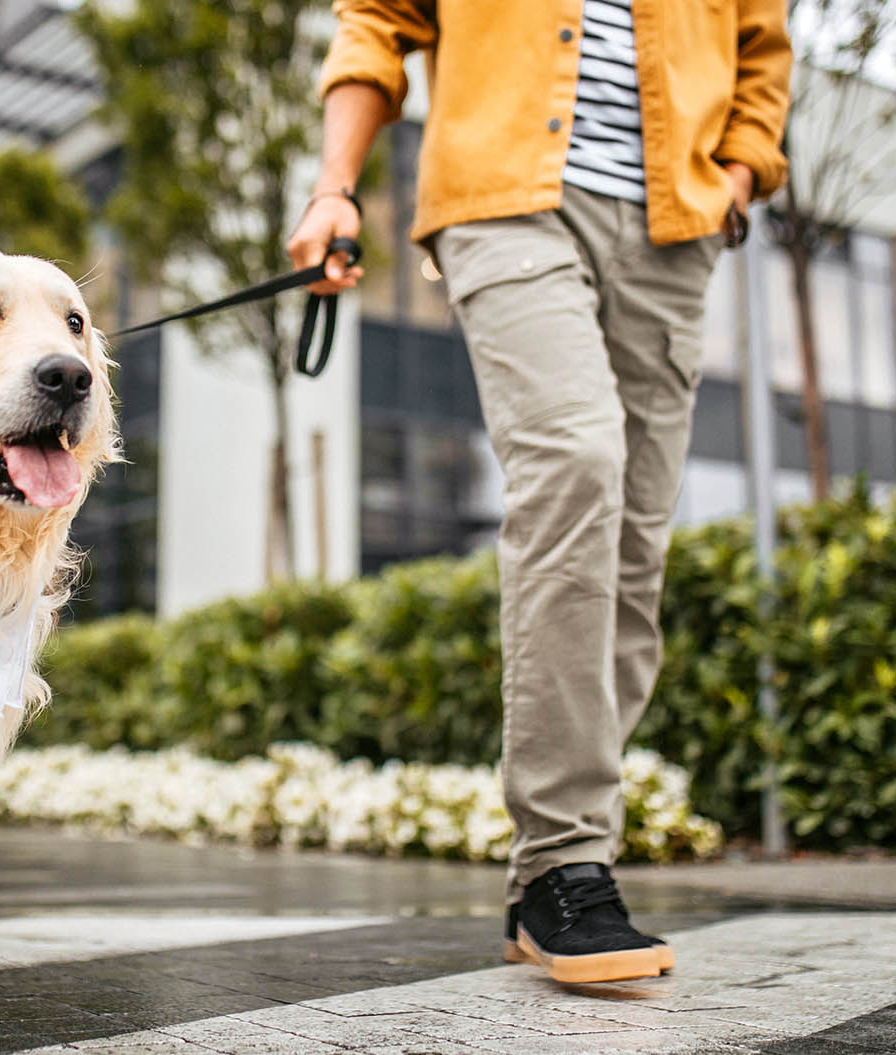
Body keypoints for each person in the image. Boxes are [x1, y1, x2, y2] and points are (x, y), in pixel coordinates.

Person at [288, 1, 791, 984]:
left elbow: (762, 55)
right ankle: (567, 861)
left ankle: (547, 879)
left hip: (675, 230)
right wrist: (335, 186)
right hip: (504, 197)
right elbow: (376, 22)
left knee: (632, 548)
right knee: (574, 462)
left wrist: (734, 179)